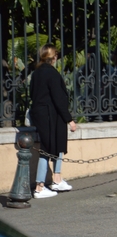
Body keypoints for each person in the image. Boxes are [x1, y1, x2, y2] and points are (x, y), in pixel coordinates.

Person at [29, 43, 77, 198]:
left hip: (42, 113)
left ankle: (56, 178)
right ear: (53, 57)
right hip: (51, 115)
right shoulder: (52, 74)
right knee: (47, 148)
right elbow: (59, 98)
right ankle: (40, 187)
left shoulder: (37, 73)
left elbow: (32, 94)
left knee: (55, 145)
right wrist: (69, 120)